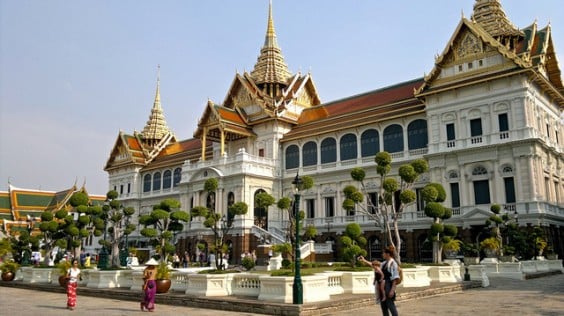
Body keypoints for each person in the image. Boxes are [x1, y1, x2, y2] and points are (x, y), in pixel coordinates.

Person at [380, 246, 400, 316]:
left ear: (388, 254)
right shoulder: (385, 263)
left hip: (389, 286)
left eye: (383, 253)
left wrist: (392, 290)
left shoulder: (393, 263)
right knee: (384, 306)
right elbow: (375, 265)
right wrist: (364, 261)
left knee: (390, 305)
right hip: (383, 286)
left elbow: (395, 278)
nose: (382, 254)